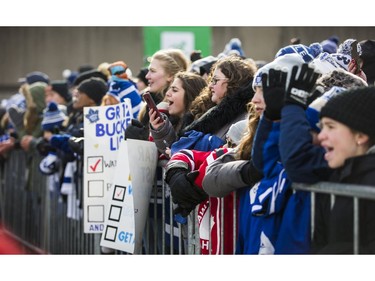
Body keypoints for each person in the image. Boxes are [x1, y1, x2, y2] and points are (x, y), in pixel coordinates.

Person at [312, 86, 375, 254]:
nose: (321, 136)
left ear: (360, 136)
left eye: (331, 127)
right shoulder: (336, 176)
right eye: (322, 127)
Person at [149, 71, 207, 156]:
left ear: (190, 96)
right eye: (169, 89)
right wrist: (159, 129)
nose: (167, 93)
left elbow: (172, 154)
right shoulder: (171, 122)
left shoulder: (198, 129)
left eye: (175, 90)